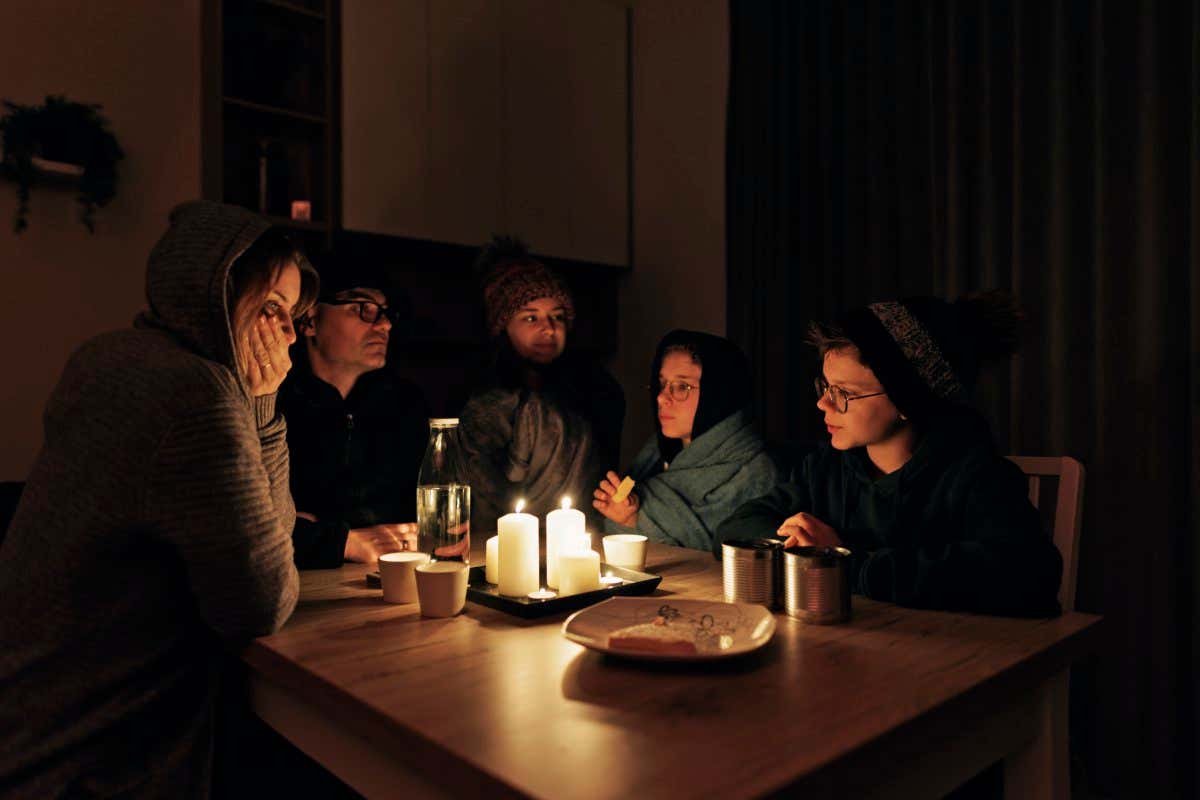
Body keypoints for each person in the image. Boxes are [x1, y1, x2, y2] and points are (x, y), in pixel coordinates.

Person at [0, 201, 318, 796]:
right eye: (271, 308)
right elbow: (262, 601)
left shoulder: (106, 355)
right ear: (213, 289)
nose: (284, 335)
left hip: (27, 711)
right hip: (97, 758)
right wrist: (265, 406)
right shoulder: (198, 397)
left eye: (292, 316)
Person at [715, 292, 1063, 616]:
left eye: (844, 393)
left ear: (908, 400)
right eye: (825, 386)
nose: (823, 404)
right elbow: (735, 528)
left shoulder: (976, 477)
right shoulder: (824, 469)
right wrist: (794, 543)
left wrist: (845, 563)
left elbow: (1031, 574)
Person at [458, 236, 624, 528]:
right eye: (531, 318)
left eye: (557, 317)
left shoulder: (597, 392)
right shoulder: (486, 403)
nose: (548, 328)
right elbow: (482, 505)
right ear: (502, 326)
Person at [279, 258, 430, 568]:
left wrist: (315, 524)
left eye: (385, 313)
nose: (384, 324)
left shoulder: (405, 406)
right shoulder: (275, 408)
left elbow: (415, 516)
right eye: (363, 309)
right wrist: (338, 541)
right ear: (309, 320)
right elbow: (260, 528)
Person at [593, 330, 780, 553]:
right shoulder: (654, 454)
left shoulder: (757, 471)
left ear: (717, 394)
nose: (662, 397)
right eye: (661, 384)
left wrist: (635, 520)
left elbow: (723, 552)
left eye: (682, 387)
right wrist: (620, 510)